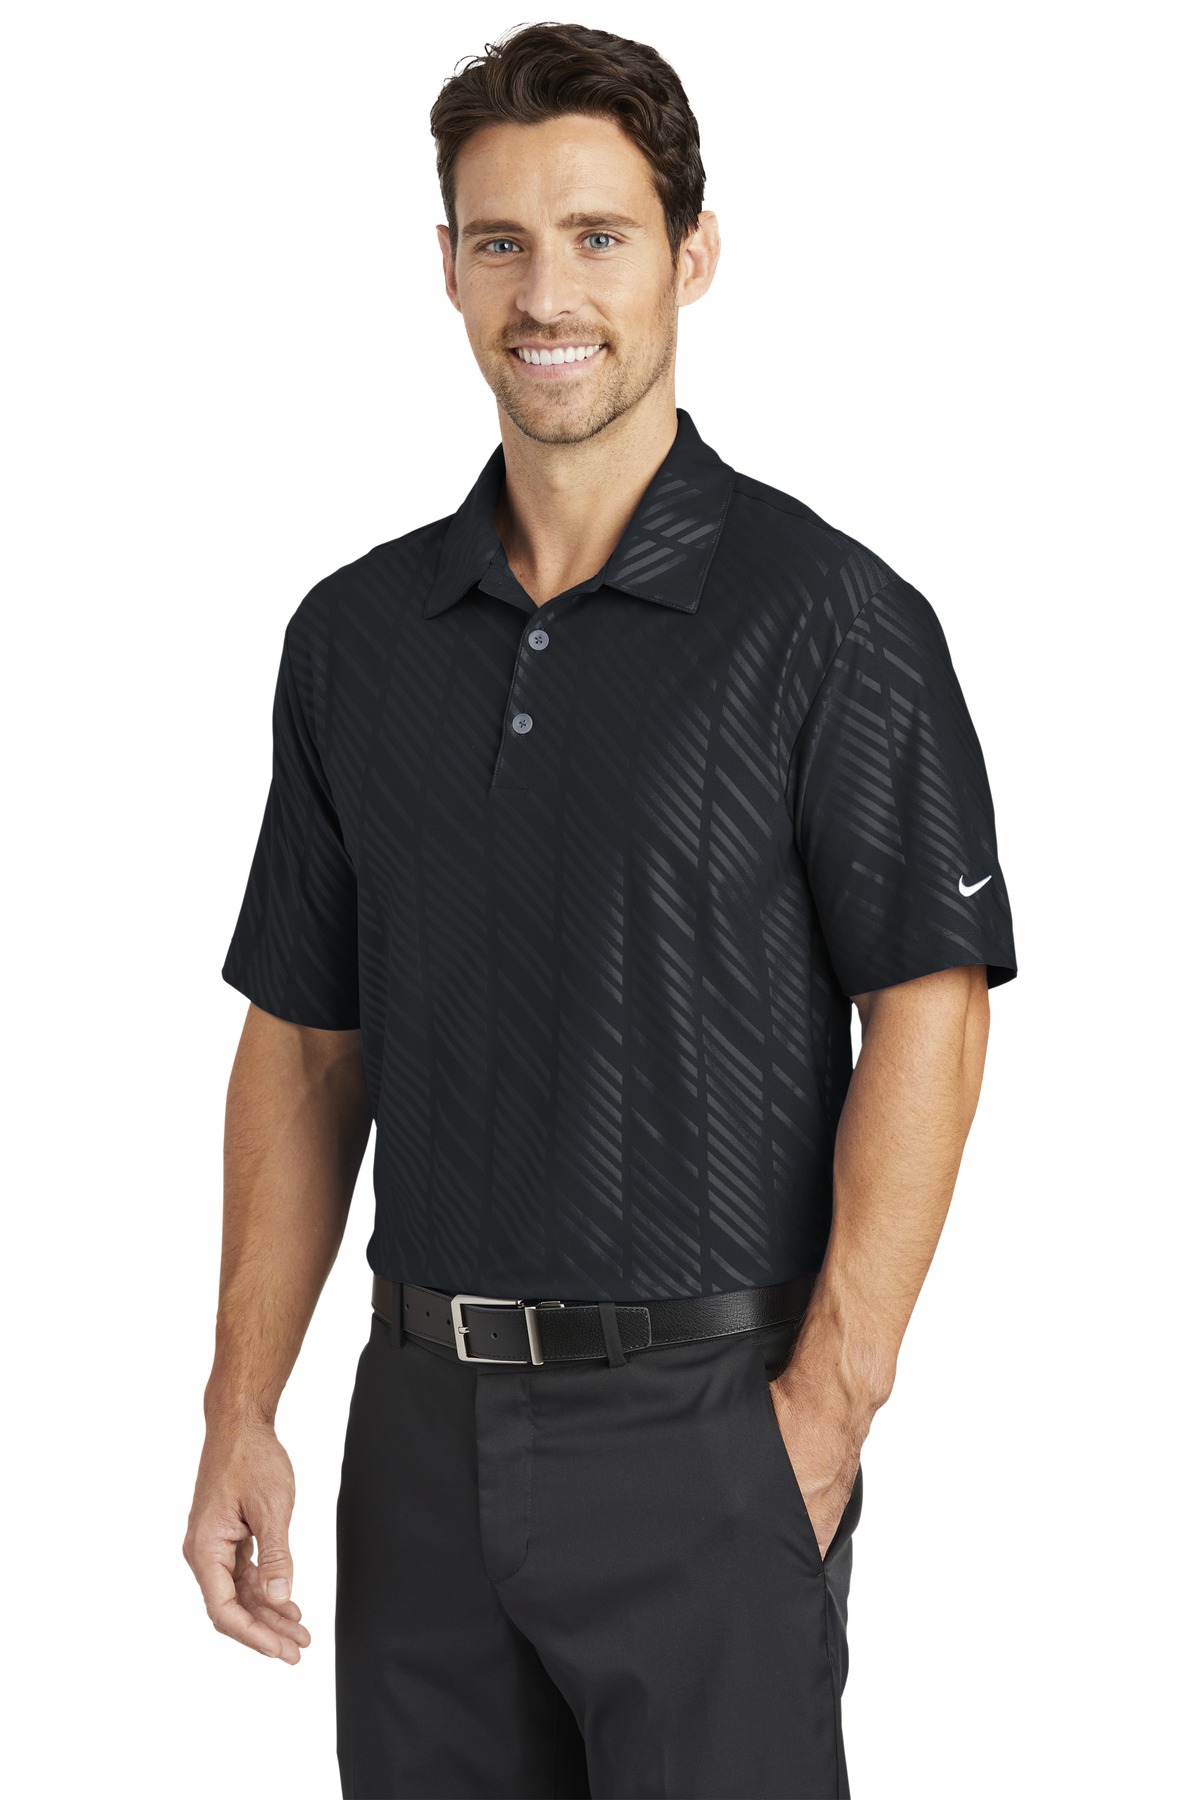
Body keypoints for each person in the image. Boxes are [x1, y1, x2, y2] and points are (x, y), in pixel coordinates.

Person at [183, 20, 1018, 1799]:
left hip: (706, 1426)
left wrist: (827, 1412)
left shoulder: (830, 620)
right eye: (501, 241)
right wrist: (240, 1405)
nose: (545, 293)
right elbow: (308, 1042)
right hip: (418, 1432)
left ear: (691, 255)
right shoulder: (354, 641)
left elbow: (932, 1011)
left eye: (598, 236)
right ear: (446, 267)